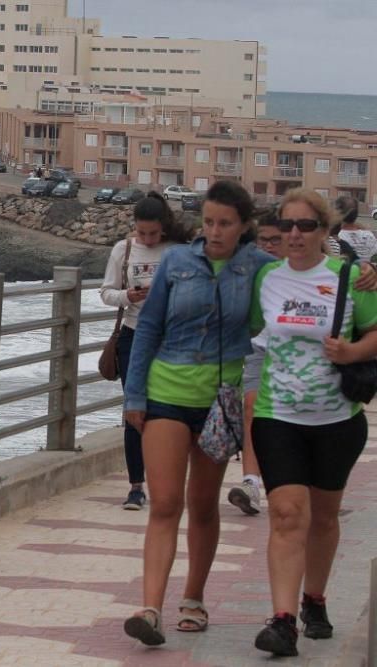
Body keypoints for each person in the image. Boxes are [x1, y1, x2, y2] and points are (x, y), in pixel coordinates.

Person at [121, 180, 274, 646]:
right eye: (208, 222)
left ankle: (194, 598)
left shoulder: (259, 268)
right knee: (165, 503)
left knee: (202, 505)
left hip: (218, 401)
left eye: (225, 223)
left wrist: (366, 274)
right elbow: (147, 328)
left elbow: (312, 284)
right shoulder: (176, 261)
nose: (215, 231)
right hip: (166, 391)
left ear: (244, 225)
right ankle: (150, 609)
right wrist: (134, 396)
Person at [249, 188, 377, 657]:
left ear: (325, 231)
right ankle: (282, 621)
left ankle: (314, 599)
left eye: (306, 226)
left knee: (323, 518)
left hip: (337, 419)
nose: (295, 235)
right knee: (286, 516)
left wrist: (353, 351)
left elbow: (375, 333)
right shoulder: (264, 277)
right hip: (276, 415)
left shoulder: (349, 276)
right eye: (286, 226)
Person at [100, 192, 190, 511]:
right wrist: (130, 296)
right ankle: (136, 486)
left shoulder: (179, 251)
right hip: (133, 335)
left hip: (171, 339)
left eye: (153, 233)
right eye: (142, 233)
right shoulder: (122, 251)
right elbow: (106, 293)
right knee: (134, 411)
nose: (148, 239)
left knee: (168, 413)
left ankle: (168, 481)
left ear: (164, 228)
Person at [227, 207, 285, 516]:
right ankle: (251, 483)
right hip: (259, 348)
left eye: (277, 240)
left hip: (301, 357)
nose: (269, 247)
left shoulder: (315, 273)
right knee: (251, 407)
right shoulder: (258, 270)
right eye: (264, 240)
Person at [328, 195, 377, 262]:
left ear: (337, 212)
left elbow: (329, 263)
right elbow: (374, 256)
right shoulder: (369, 235)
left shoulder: (335, 238)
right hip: (366, 270)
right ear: (356, 213)